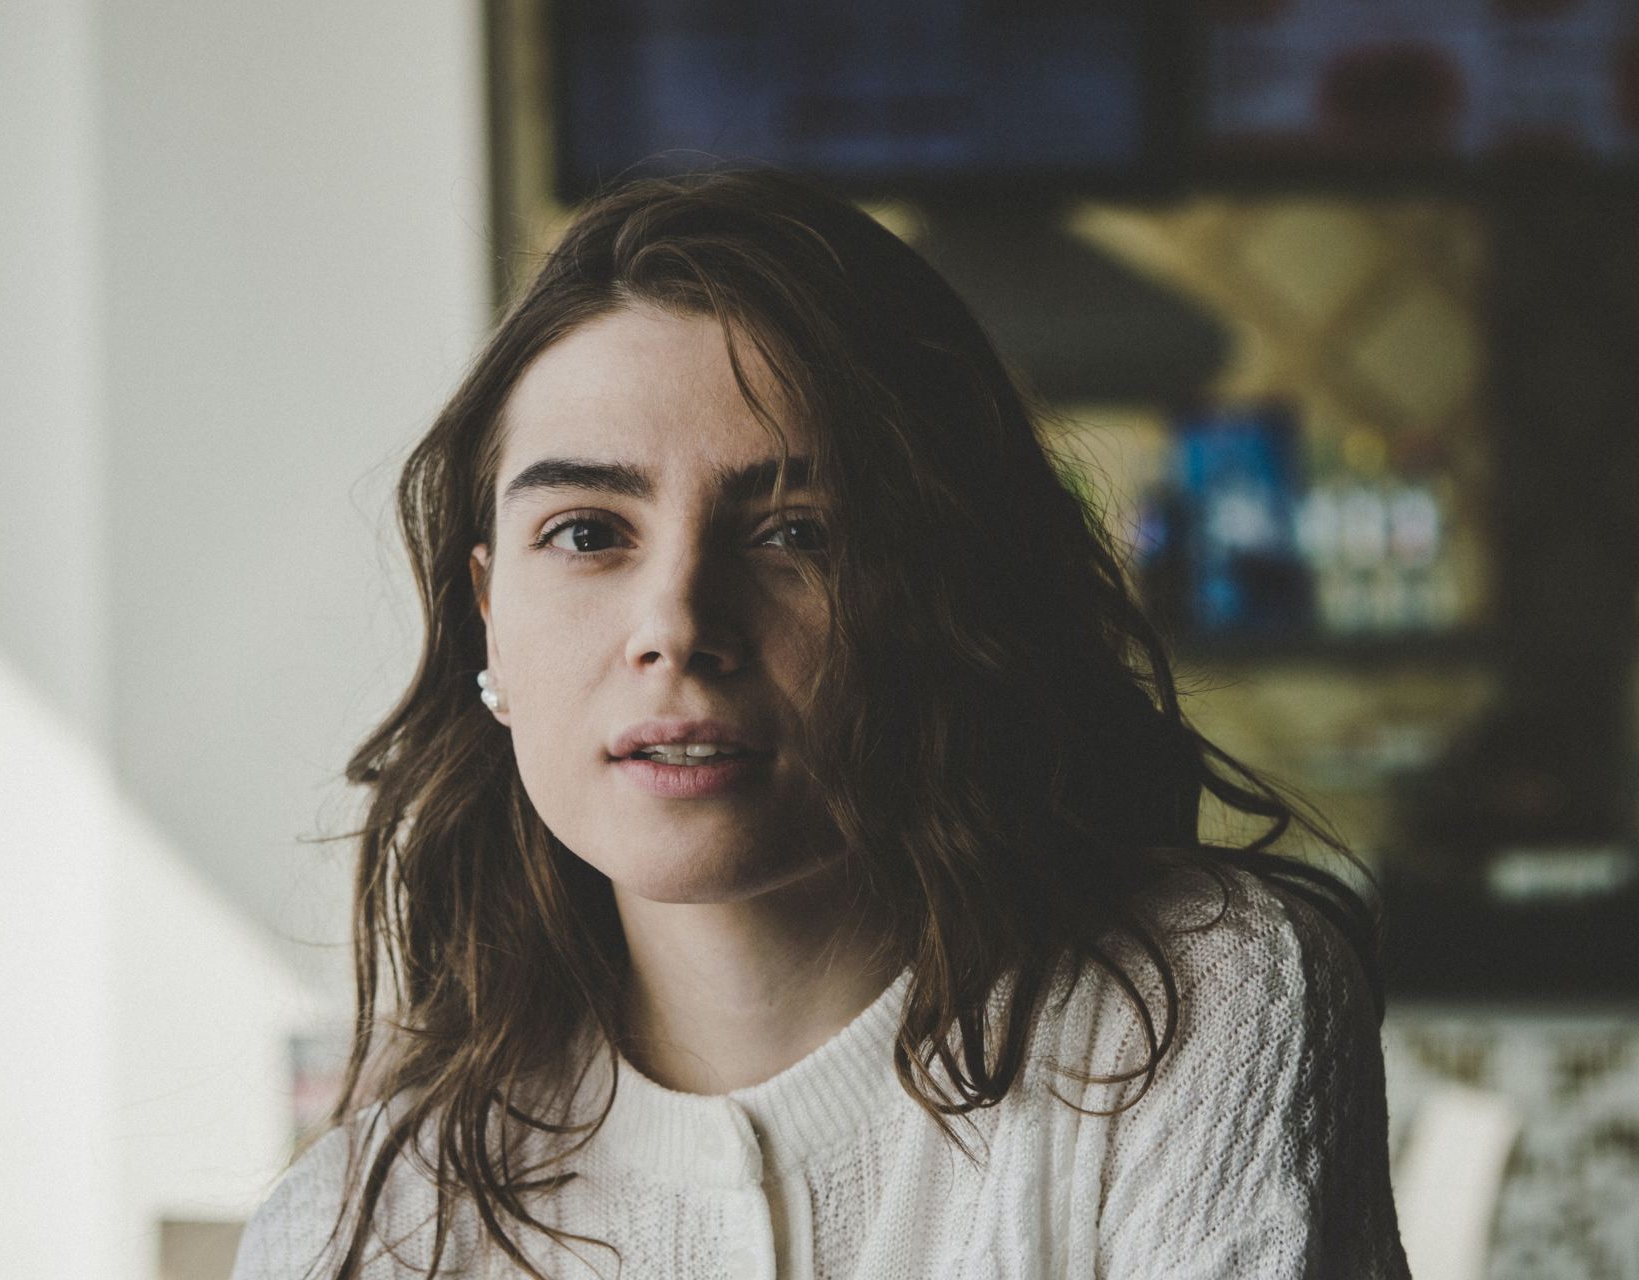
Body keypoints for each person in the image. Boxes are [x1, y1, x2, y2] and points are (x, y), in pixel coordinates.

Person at [230, 168, 1411, 1280]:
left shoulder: (1189, 1004)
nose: (679, 624)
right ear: (487, 610)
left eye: (797, 532)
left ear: (945, 596)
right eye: (589, 531)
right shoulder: (355, 1234)